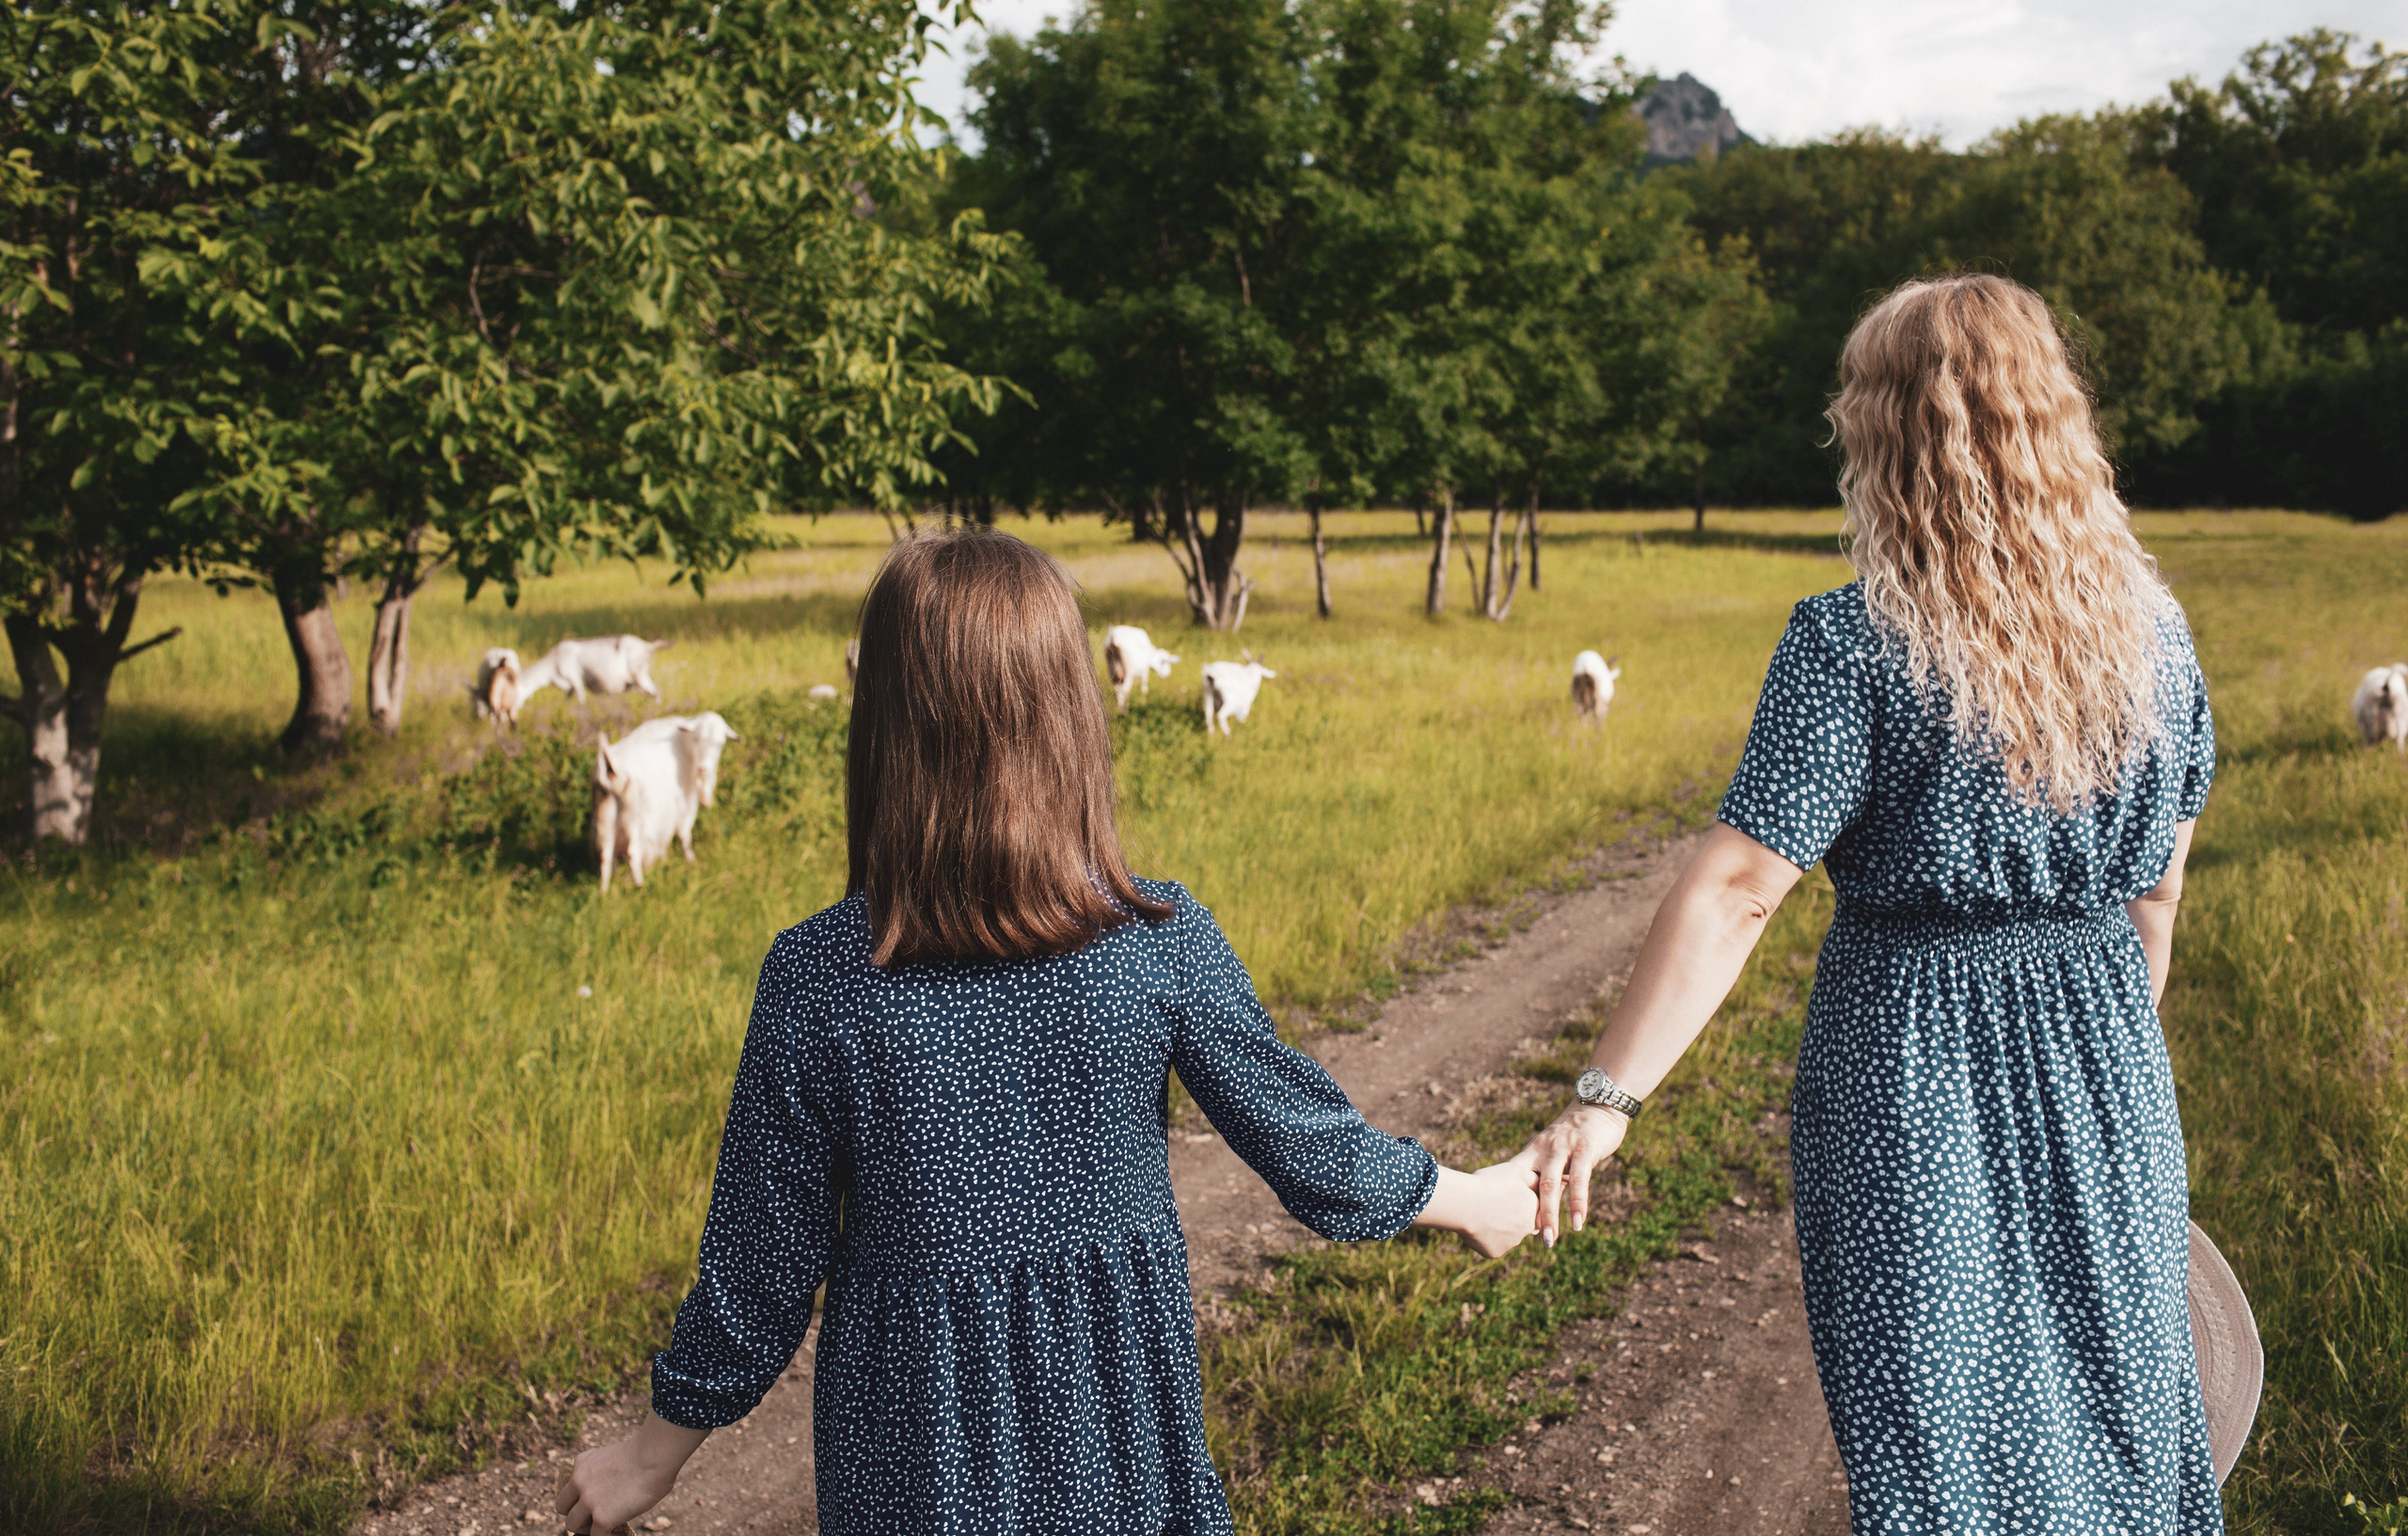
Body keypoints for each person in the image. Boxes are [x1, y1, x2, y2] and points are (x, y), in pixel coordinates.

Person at [556, 528, 1537, 1536]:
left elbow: (761, 1268)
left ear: (884, 721)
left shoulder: (819, 978)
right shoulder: (1157, 942)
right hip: (1116, 1452)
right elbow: (1306, 1143)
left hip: (912, 1470)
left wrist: (648, 1459)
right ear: (1068, 712)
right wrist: (1476, 1200)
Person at [1514, 275, 2222, 1532]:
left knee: (1944, 1437)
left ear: (1893, 438)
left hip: (1915, 1063)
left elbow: (1740, 886)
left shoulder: (1853, 643)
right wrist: (2103, 1054)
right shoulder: (2157, 637)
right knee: (2121, 1416)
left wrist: (1603, 1098)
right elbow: (2157, 886)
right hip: (2110, 1050)